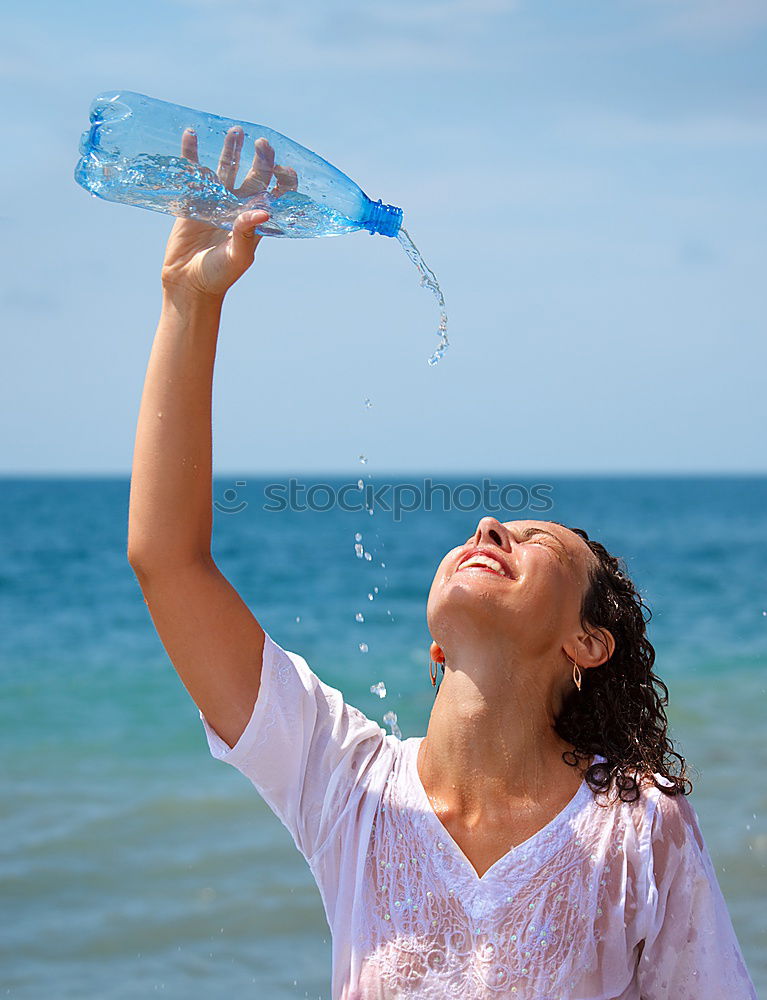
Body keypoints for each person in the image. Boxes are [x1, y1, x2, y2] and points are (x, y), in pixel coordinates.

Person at [127, 129, 758, 999]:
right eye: (492, 527)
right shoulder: (346, 786)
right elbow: (168, 563)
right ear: (435, 652)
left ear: (587, 644)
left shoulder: (635, 825)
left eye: (538, 543)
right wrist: (187, 308)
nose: (491, 524)